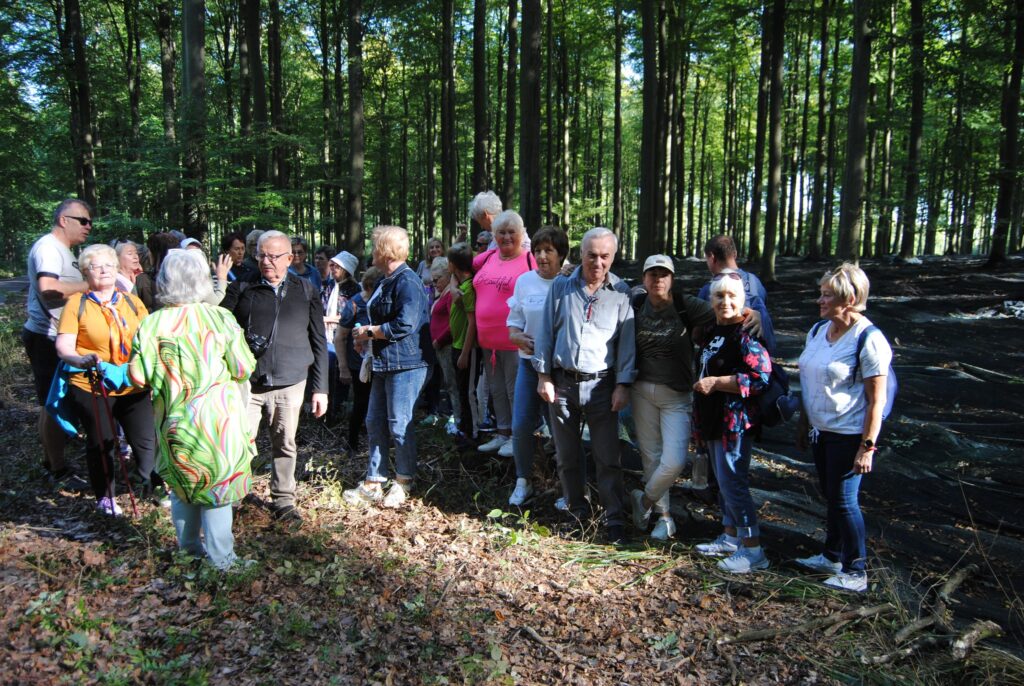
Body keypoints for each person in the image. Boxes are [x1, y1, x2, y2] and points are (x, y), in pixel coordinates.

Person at [129, 250, 256, 570]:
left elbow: (137, 376)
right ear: (202, 279)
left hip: (173, 420)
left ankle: (188, 551)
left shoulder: (152, 324)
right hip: (218, 424)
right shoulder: (218, 318)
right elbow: (243, 368)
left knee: (182, 487)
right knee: (218, 488)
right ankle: (223, 561)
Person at [533, 227, 636, 543]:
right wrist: (544, 377)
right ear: (581, 254)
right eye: (592, 255)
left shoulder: (621, 292)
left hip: (602, 386)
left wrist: (623, 384)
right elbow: (546, 333)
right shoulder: (562, 287)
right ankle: (577, 512)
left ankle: (614, 518)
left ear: (613, 257)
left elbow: (627, 343)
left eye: (605, 256)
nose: (598, 262)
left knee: (608, 457)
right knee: (567, 456)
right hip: (562, 383)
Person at [795, 263, 893, 593]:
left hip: (849, 434)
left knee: (845, 502)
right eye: (821, 294)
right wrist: (805, 423)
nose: (819, 301)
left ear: (849, 298)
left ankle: (856, 569)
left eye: (827, 295)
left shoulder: (869, 339)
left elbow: (876, 399)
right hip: (821, 431)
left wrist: (867, 447)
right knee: (832, 496)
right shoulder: (818, 331)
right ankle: (831, 555)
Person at [220, 230, 329, 523]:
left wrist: (321, 389)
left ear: (289, 258)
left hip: (292, 381)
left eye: (274, 256)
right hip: (247, 383)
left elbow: (319, 341)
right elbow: (218, 327)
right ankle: (230, 498)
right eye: (262, 255)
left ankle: (283, 499)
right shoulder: (242, 287)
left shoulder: (305, 289)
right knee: (239, 442)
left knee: (285, 442)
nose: (266, 261)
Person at [54, 244, 156, 515]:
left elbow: (150, 338)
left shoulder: (133, 302)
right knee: (102, 442)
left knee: (146, 440)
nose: (104, 271)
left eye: (109, 265)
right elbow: (64, 346)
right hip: (92, 384)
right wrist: (79, 360)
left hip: (133, 382)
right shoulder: (77, 304)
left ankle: (151, 486)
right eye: (96, 266)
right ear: (86, 272)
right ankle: (106, 497)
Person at [628, 255, 715, 539]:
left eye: (663, 274)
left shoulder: (685, 304)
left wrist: (754, 314)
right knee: (651, 455)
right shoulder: (636, 304)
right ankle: (664, 519)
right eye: (652, 274)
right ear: (644, 279)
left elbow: (723, 311)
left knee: (675, 460)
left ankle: (644, 500)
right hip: (641, 390)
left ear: (672, 279)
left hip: (677, 394)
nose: (658, 279)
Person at [342, 226, 429, 508]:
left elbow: (406, 323)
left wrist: (370, 333)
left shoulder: (408, 282)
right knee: (374, 420)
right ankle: (374, 480)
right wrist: (364, 339)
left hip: (407, 364)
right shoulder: (385, 280)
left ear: (384, 250)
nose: (370, 252)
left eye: (374, 246)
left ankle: (404, 480)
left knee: (399, 424)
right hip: (383, 362)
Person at [692, 272, 773, 573]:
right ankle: (730, 537)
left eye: (732, 297)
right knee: (723, 484)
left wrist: (717, 382)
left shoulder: (745, 333)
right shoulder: (712, 330)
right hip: (712, 420)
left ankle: (753, 550)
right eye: (719, 296)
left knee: (734, 484)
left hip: (734, 424)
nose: (725, 302)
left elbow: (760, 377)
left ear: (742, 301)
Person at [23, 198, 91, 484]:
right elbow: (48, 289)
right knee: (54, 403)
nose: (89, 227)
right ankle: (59, 468)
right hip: (47, 337)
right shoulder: (49, 248)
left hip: (55, 335)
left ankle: (51, 460)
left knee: (50, 402)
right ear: (64, 220)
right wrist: (91, 285)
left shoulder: (62, 250)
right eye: (83, 221)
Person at [506, 227, 569, 506]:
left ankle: (568, 486)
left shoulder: (571, 281)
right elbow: (513, 323)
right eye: (538, 251)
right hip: (529, 365)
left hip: (561, 370)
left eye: (549, 251)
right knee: (520, 425)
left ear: (561, 255)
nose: (542, 257)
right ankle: (523, 480)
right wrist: (517, 336)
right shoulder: (524, 282)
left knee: (561, 429)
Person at [471, 210, 537, 456]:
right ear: (493, 235)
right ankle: (503, 432)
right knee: (496, 389)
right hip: (487, 340)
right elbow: (461, 266)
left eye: (512, 232)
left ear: (521, 234)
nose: (506, 237)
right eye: (501, 232)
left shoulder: (531, 260)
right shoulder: (488, 257)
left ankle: (519, 437)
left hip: (514, 340)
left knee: (514, 390)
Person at [698, 235, 776, 353]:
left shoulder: (709, 290)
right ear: (734, 254)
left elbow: (698, 332)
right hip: (762, 352)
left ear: (712, 257)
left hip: (725, 357)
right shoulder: (755, 281)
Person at [337, 266, 384, 456]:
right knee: (361, 402)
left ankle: (379, 445)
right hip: (359, 364)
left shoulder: (381, 302)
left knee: (381, 404)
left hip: (381, 362)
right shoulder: (355, 304)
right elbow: (340, 336)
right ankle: (353, 443)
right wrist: (343, 367)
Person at [323, 250, 360, 420]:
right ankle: (328, 411)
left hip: (345, 337)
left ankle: (341, 410)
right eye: (332, 265)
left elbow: (350, 315)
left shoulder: (354, 289)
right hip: (327, 336)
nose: (333, 268)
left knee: (342, 373)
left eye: (337, 266)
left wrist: (329, 319)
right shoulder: (328, 286)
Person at [447, 242, 478, 446]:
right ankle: (465, 429)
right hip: (456, 345)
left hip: (465, 348)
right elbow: (454, 277)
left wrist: (465, 353)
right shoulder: (460, 284)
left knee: (468, 391)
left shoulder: (468, 289)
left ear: (452, 265)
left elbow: (472, 322)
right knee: (460, 388)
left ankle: (473, 433)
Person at [427, 257, 458, 428]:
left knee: (453, 385)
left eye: (437, 279)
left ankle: (458, 421)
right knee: (448, 384)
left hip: (447, 346)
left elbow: (454, 323)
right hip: (441, 347)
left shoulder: (450, 294)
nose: (434, 283)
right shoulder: (443, 293)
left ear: (448, 275)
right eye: (432, 279)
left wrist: (440, 341)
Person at [135, 232, 180, 311]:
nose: (148, 254)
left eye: (150, 250)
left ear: (156, 254)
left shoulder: (144, 280)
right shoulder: (185, 278)